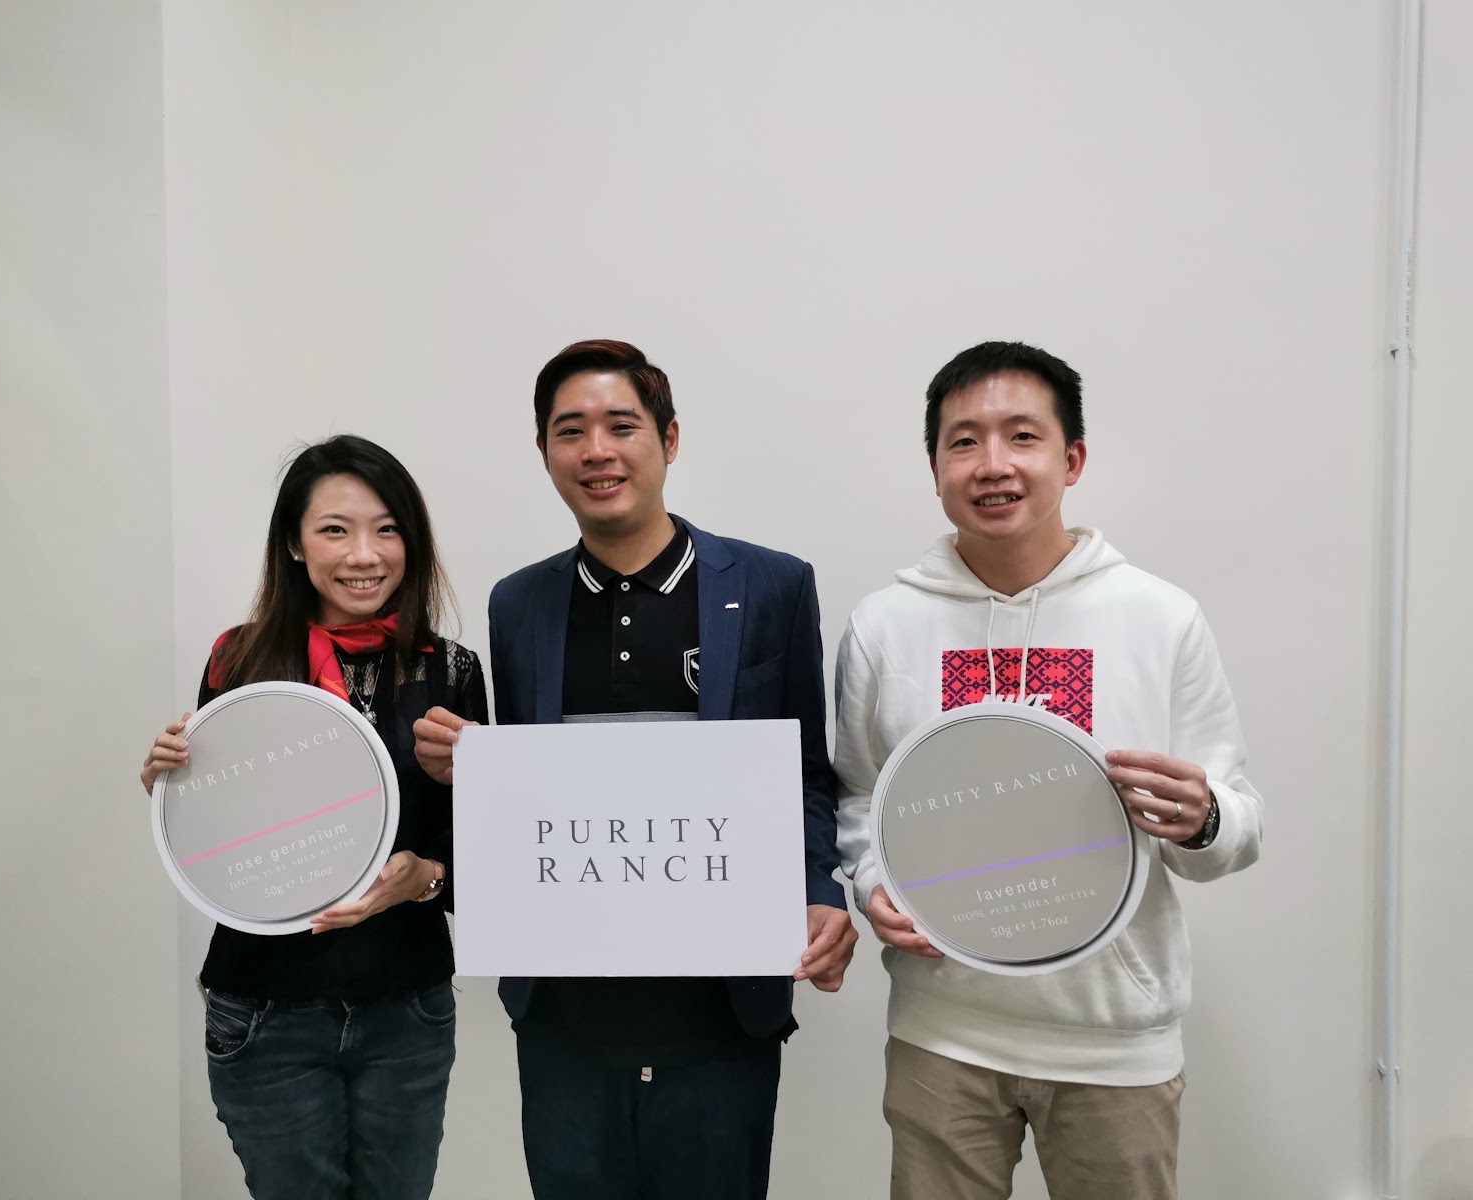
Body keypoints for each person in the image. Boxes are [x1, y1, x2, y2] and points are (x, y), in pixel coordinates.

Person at [413, 339, 856, 1200]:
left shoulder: (771, 584)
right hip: (565, 1010)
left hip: (723, 1002)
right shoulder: (519, 602)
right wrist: (471, 770)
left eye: (621, 426)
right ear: (543, 451)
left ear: (669, 439)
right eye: (570, 431)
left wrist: (819, 894)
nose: (597, 451)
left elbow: (803, 774)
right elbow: (532, 796)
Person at [834, 341, 1264, 1200]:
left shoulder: (1160, 618)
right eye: (964, 441)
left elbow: (1237, 826)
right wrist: (876, 882)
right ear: (935, 467)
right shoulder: (883, 626)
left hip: (1115, 1044)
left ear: (1072, 460)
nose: (993, 464)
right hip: (942, 1033)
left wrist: (1205, 817)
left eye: (1022, 436)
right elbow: (860, 794)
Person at [140, 434, 487, 1200]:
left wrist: (426, 875)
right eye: (335, 529)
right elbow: (222, 831)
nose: (364, 554)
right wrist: (170, 788)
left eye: (387, 529)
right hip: (266, 1008)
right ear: (295, 544)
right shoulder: (240, 661)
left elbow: (486, 855)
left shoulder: (451, 671)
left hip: (407, 1007)